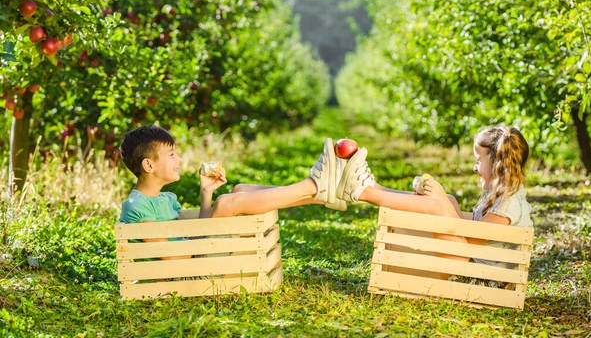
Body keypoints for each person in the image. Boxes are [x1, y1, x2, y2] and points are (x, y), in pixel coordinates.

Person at [334, 126, 533, 280]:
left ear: (497, 164)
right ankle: (374, 188)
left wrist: (440, 205)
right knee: (447, 200)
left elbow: (470, 243)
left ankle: (363, 193)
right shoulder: (505, 196)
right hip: (469, 266)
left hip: (477, 278)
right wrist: (442, 202)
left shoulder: (508, 205)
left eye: (478, 160)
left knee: (440, 203)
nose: (474, 167)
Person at [118, 126, 350, 239]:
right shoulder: (137, 206)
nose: (178, 159)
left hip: (193, 255)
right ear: (149, 165)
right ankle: (313, 185)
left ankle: (319, 195)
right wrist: (200, 246)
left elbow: (195, 229)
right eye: (171, 155)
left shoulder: (167, 199)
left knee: (240, 190)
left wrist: (205, 192)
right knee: (227, 202)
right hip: (185, 269)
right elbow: (169, 256)